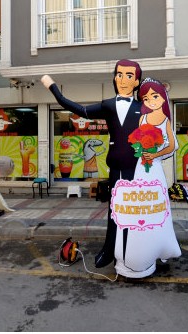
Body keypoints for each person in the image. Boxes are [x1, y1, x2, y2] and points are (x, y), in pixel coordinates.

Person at [41, 59, 142, 268]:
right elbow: (78, 109)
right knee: (115, 210)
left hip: (139, 167)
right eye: (119, 75)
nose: (123, 80)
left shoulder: (143, 108)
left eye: (129, 76)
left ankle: (139, 249)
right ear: (114, 78)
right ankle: (109, 249)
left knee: (137, 210)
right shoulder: (108, 105)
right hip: (116, 166)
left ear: (137, 82)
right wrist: (52, 87)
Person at [113, 77, 182, 279]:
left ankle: (159, 245)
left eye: (155, 96)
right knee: (138, 205)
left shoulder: (165, 121)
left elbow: (172, 145)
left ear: (163, 98)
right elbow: (133, 139)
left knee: (156, 207)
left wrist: (155, 154)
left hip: (155, 169)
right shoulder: (142, 119)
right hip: (139, 168)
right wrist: (139, 150)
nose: (151, 101)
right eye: (146, 98)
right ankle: (135, 249)